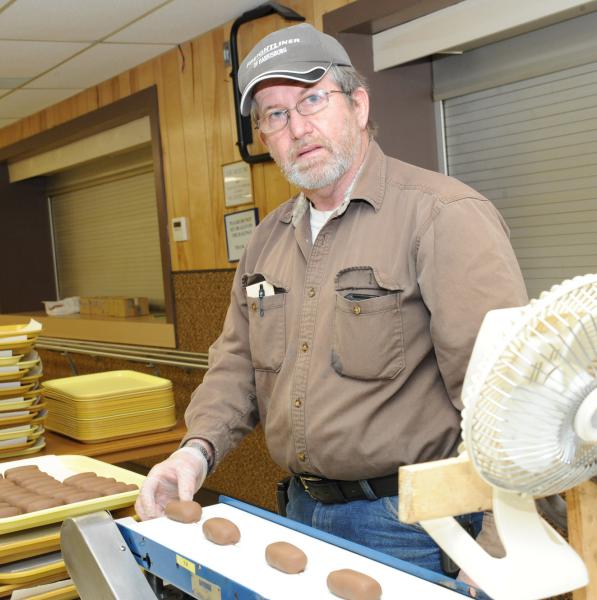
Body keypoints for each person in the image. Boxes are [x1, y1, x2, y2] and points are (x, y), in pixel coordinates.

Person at [136, 21, 527, 584]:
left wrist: (498, 545)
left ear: (359, 105)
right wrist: (192, 455)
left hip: (412, 525)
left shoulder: (444, 216)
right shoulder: (267, 242)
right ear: (264, 138)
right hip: (301, 512)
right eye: (274, 115)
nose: (297, 127)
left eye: (312, 99)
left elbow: (506, 399)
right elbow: (235, 368)